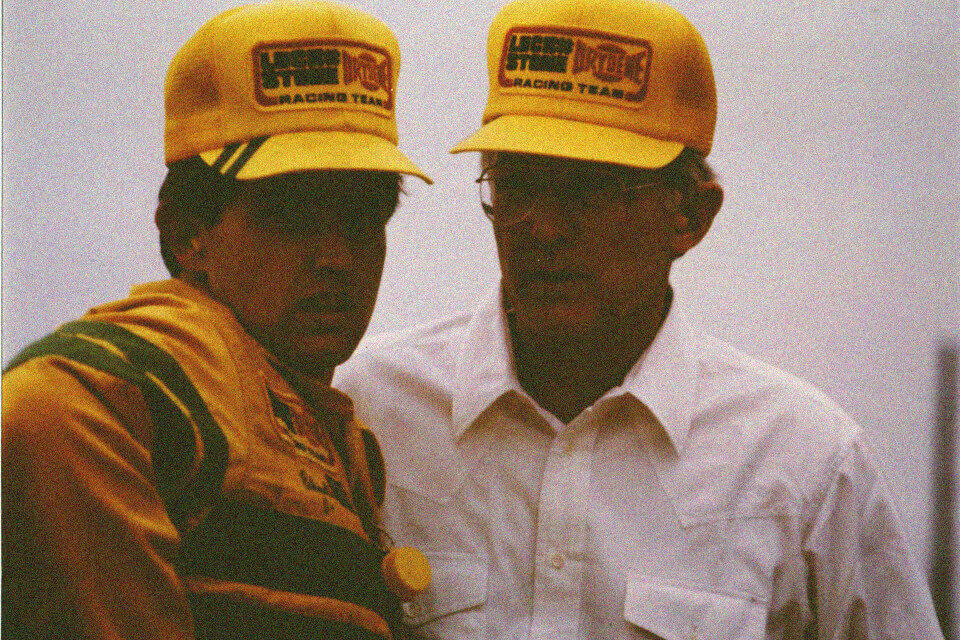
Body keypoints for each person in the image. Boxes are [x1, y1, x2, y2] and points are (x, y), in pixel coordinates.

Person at [333, 0, 946, 637]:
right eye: (516, 181)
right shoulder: (364, 414)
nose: (543, 228)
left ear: (691, 217)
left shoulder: (804, 467)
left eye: (588, 189)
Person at [2, 2, 432, 639]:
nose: (336, 257)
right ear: (187, 235)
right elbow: (39, 407)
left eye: (364, 217)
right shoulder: (125, 385)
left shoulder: (328, 423)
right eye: (293, 213)